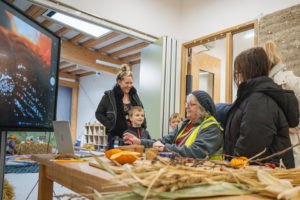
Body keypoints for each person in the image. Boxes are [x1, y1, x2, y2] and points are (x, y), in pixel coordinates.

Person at [223, 47, 299, 168]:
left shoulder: (259, 101)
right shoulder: (253, 97)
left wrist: (234, 164)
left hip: (260, 175)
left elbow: (250, 147)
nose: (238, 77)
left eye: (239, 72)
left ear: (248, 71)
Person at [124, 90, 223, 159]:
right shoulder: (183, 124)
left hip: (203, 173)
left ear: (203, 109)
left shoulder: (211, 128)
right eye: (186, 104)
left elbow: (197, 152)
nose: (187, 107)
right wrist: (140, 142)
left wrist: (165, 149)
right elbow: (163, 141)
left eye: (192, 105)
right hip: (182, 168)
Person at [264, 41, 300, 168]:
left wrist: (290, 128)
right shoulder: (266, 85)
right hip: (276, 146)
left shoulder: (289, 81)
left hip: (292, 144)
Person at [95, 64, 146, 149]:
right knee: (113, 160)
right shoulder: (109, 96)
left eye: (131, 83)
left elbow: (141, 111)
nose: (129, 86)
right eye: (126, 83)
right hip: (115, 137)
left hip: (134, 137)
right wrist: (111, 126)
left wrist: (144, 129)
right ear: (119, 82)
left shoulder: (134, 96)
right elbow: (98, 113)